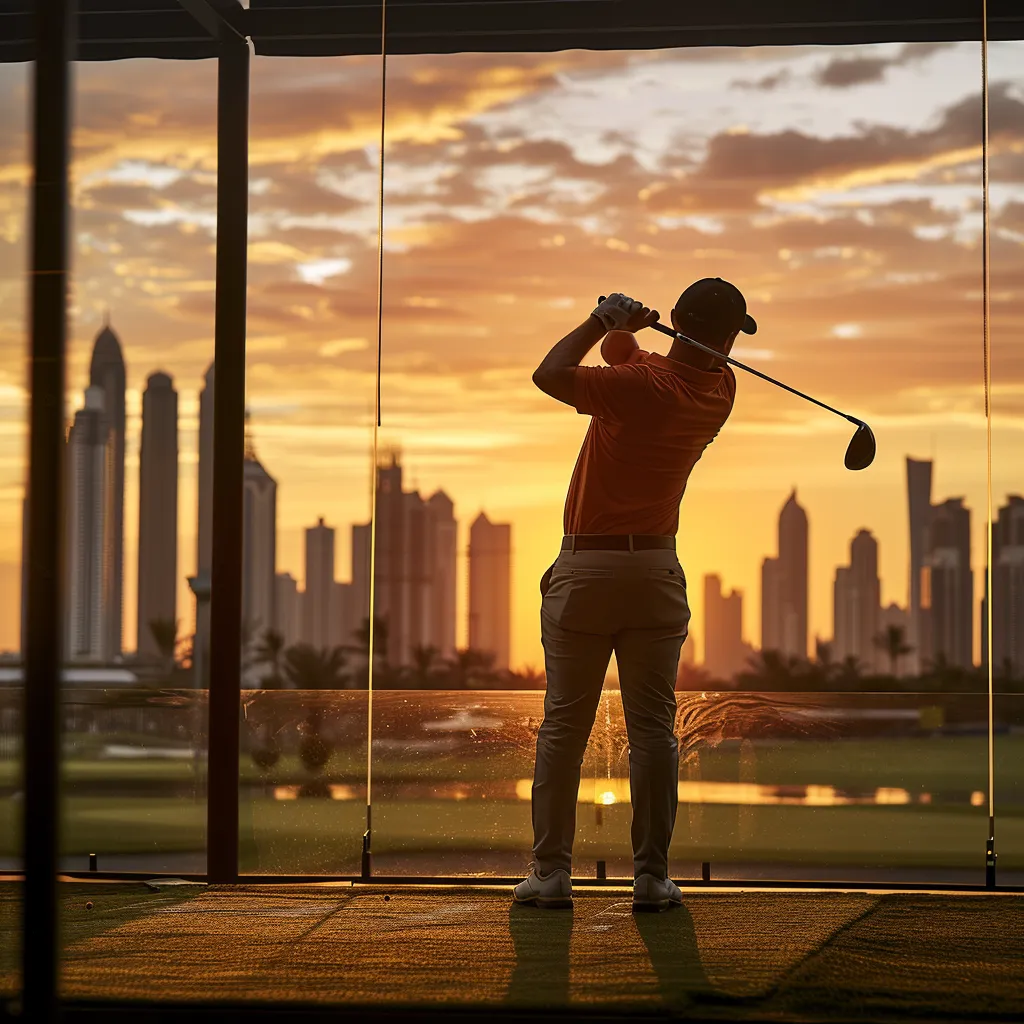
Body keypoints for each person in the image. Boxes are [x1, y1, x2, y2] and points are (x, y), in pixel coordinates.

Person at [512, 279, 756, 912]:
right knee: (654, 732)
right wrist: (628, 330)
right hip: (655, 572)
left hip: (587, 570)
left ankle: (550, 874)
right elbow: (633, 359)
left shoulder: (639, 387)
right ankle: (650, 877)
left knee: (565, 725)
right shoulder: (720, 391)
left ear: (677, 319)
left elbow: (552, 372)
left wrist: (603, 319)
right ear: (728, 339)